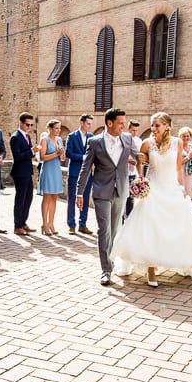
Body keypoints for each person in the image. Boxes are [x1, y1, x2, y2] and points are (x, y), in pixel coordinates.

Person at [111, 112, 192, 286]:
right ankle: (151, 270)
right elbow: (140, 162)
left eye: (157, 125)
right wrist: (141, 178)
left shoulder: (177, 142)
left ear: (167, 126)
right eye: (152, 125)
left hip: (171, 188)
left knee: (175, 227)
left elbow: (177, 168)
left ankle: (178, 260)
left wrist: (182, 186)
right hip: (153, 189)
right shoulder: (147, 143)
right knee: (150, 229)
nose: (153, 129)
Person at [76, 108, 135, 286]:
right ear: (109, 123)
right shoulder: (94, 142)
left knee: (115, 230)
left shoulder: (127, 139)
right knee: (104, 231)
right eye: (121, 124)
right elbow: (85, 168)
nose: (124, 127)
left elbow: (139, 157)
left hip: (121, 191)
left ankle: (112, 261)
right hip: (102, 191)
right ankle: (106, 270)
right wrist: (79, 192)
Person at [11, 112, 41, 235]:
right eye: (27, 125)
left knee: (28, 198)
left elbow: (28, 154)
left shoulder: (27, 136)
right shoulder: (15, 137)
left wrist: (33, 152)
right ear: (21, 123)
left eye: (31, 125)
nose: (29, 127)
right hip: (19, 172)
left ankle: (23, 222)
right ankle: (17, 225)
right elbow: (17, 156)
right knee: (20, 199)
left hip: (27, 171)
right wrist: (31, 151)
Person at [66, 114, 94, 233]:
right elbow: (68, 153)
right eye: (88, 123)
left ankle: (83, 224)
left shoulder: (92, 137)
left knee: (86, 198)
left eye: (90, 124)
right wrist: (83, 157)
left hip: (87, 174)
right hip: (74, 172)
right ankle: (71, 225)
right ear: (81, 123)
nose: (89, 126)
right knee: (72, 198)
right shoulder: (72, 136)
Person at [38, 119, 66, 234]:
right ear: (50, 128)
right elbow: (42, 157)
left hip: (56, 170)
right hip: (48, 170)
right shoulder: (44, 140)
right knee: (47, 197)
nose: (58, 130)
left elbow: (63, 158)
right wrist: (56, 154)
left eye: (59, 128)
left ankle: (51, 224)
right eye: (56, 128)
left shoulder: (59, 140)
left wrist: (62, 153)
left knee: (54, 197)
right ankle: (44, 225)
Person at [124, 119, 143, 218]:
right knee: (123, 197)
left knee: (131, 198)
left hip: (133, 173)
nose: (135, 133)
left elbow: (139, 158)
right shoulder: (122, 138)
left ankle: (128, 218)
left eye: (136, 131)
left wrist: (140, 176)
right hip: (123, 173)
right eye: (133, 130)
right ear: (128, 129)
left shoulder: (139, 141)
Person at [178, 126, 192, 196]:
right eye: (183, 136)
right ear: (180, 137)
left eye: (188, 136)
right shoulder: (177, 147)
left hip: (189, 175)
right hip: (180, 174)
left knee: (189, 196)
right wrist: (188, 156)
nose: (186, 138)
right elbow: (177, 163)